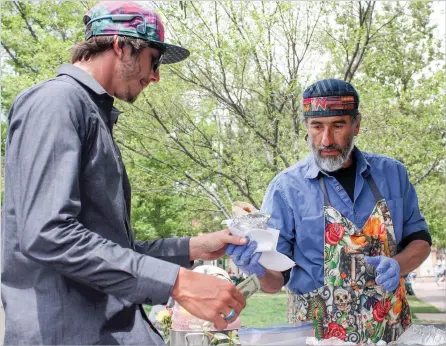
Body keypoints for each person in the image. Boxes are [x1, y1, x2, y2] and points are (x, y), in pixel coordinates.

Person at [1, 2, 247, 345]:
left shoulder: (90, 113)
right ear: (121, 46)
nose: (156, 75)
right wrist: (176, 282)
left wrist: (195, 247)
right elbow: (48, 233)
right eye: (154, 59)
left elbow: (111, 250)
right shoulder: (56, 103)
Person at [227, 79, 431, 343]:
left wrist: (398, 264)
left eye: (338, 126)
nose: (326, 139)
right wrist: (256, 267)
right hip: (317, 336)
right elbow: (275, 281)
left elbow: (421, 241)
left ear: (356, 124)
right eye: (317, 126)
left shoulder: (392, 174)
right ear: (307, 127)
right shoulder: (286, 188)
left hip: (391, 331)